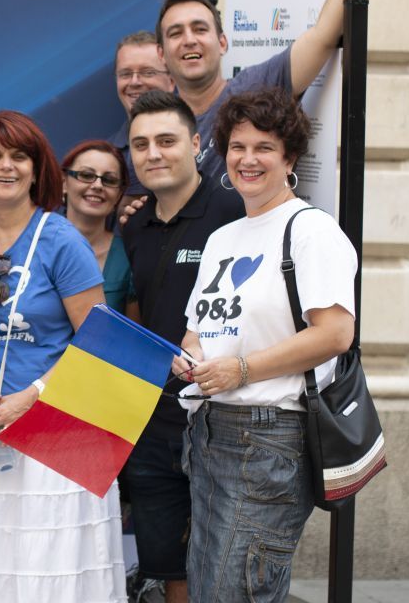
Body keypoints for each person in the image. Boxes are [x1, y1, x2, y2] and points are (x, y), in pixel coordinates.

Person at [0, 110, 126, 602]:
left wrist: (32, 396)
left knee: (45, 574)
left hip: (55, 434)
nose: (6, 166)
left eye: (19, 156)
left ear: (38, 170)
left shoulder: (62, 240)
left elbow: (98, 341)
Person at [172, 87, 357, 602]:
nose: (247, 159)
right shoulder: (223, 238)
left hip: (269, 436)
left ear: (289, 158)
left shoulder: (311, 230)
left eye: (264, 148)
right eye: (237, 146)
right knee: (210, 589)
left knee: (234, 592)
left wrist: (242, 369)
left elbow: (336, 333)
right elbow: (200, 330)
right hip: (208, 431)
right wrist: (191, 358)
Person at [154, 0, 404, 187]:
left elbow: (322, 36)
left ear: (222, 42)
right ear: (161, 54)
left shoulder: (253, 88)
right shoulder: (155, 123)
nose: (189, 40)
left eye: (200, 29)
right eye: (175, 33)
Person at [121, 90, 244, 603]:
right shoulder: (132, 225)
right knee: (172, 569)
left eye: (166, 141)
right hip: (153, 425)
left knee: (229, 568)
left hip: (225, 422)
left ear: (196, 144)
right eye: (140, 144)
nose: (153, 153)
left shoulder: (235, 212)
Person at [59, 139, 134, 316]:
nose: (97, 185)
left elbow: (132, 329)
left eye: (109, 180)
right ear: (64, 183)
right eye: (86, 175)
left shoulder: (128, 257)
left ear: (119, 194)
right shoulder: (35, 246)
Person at [108, 31, 174, 198]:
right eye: (125, 74)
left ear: (172, 80)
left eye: (147, 72)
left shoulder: (198, 139)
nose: (135, 82)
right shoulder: (107, 154)